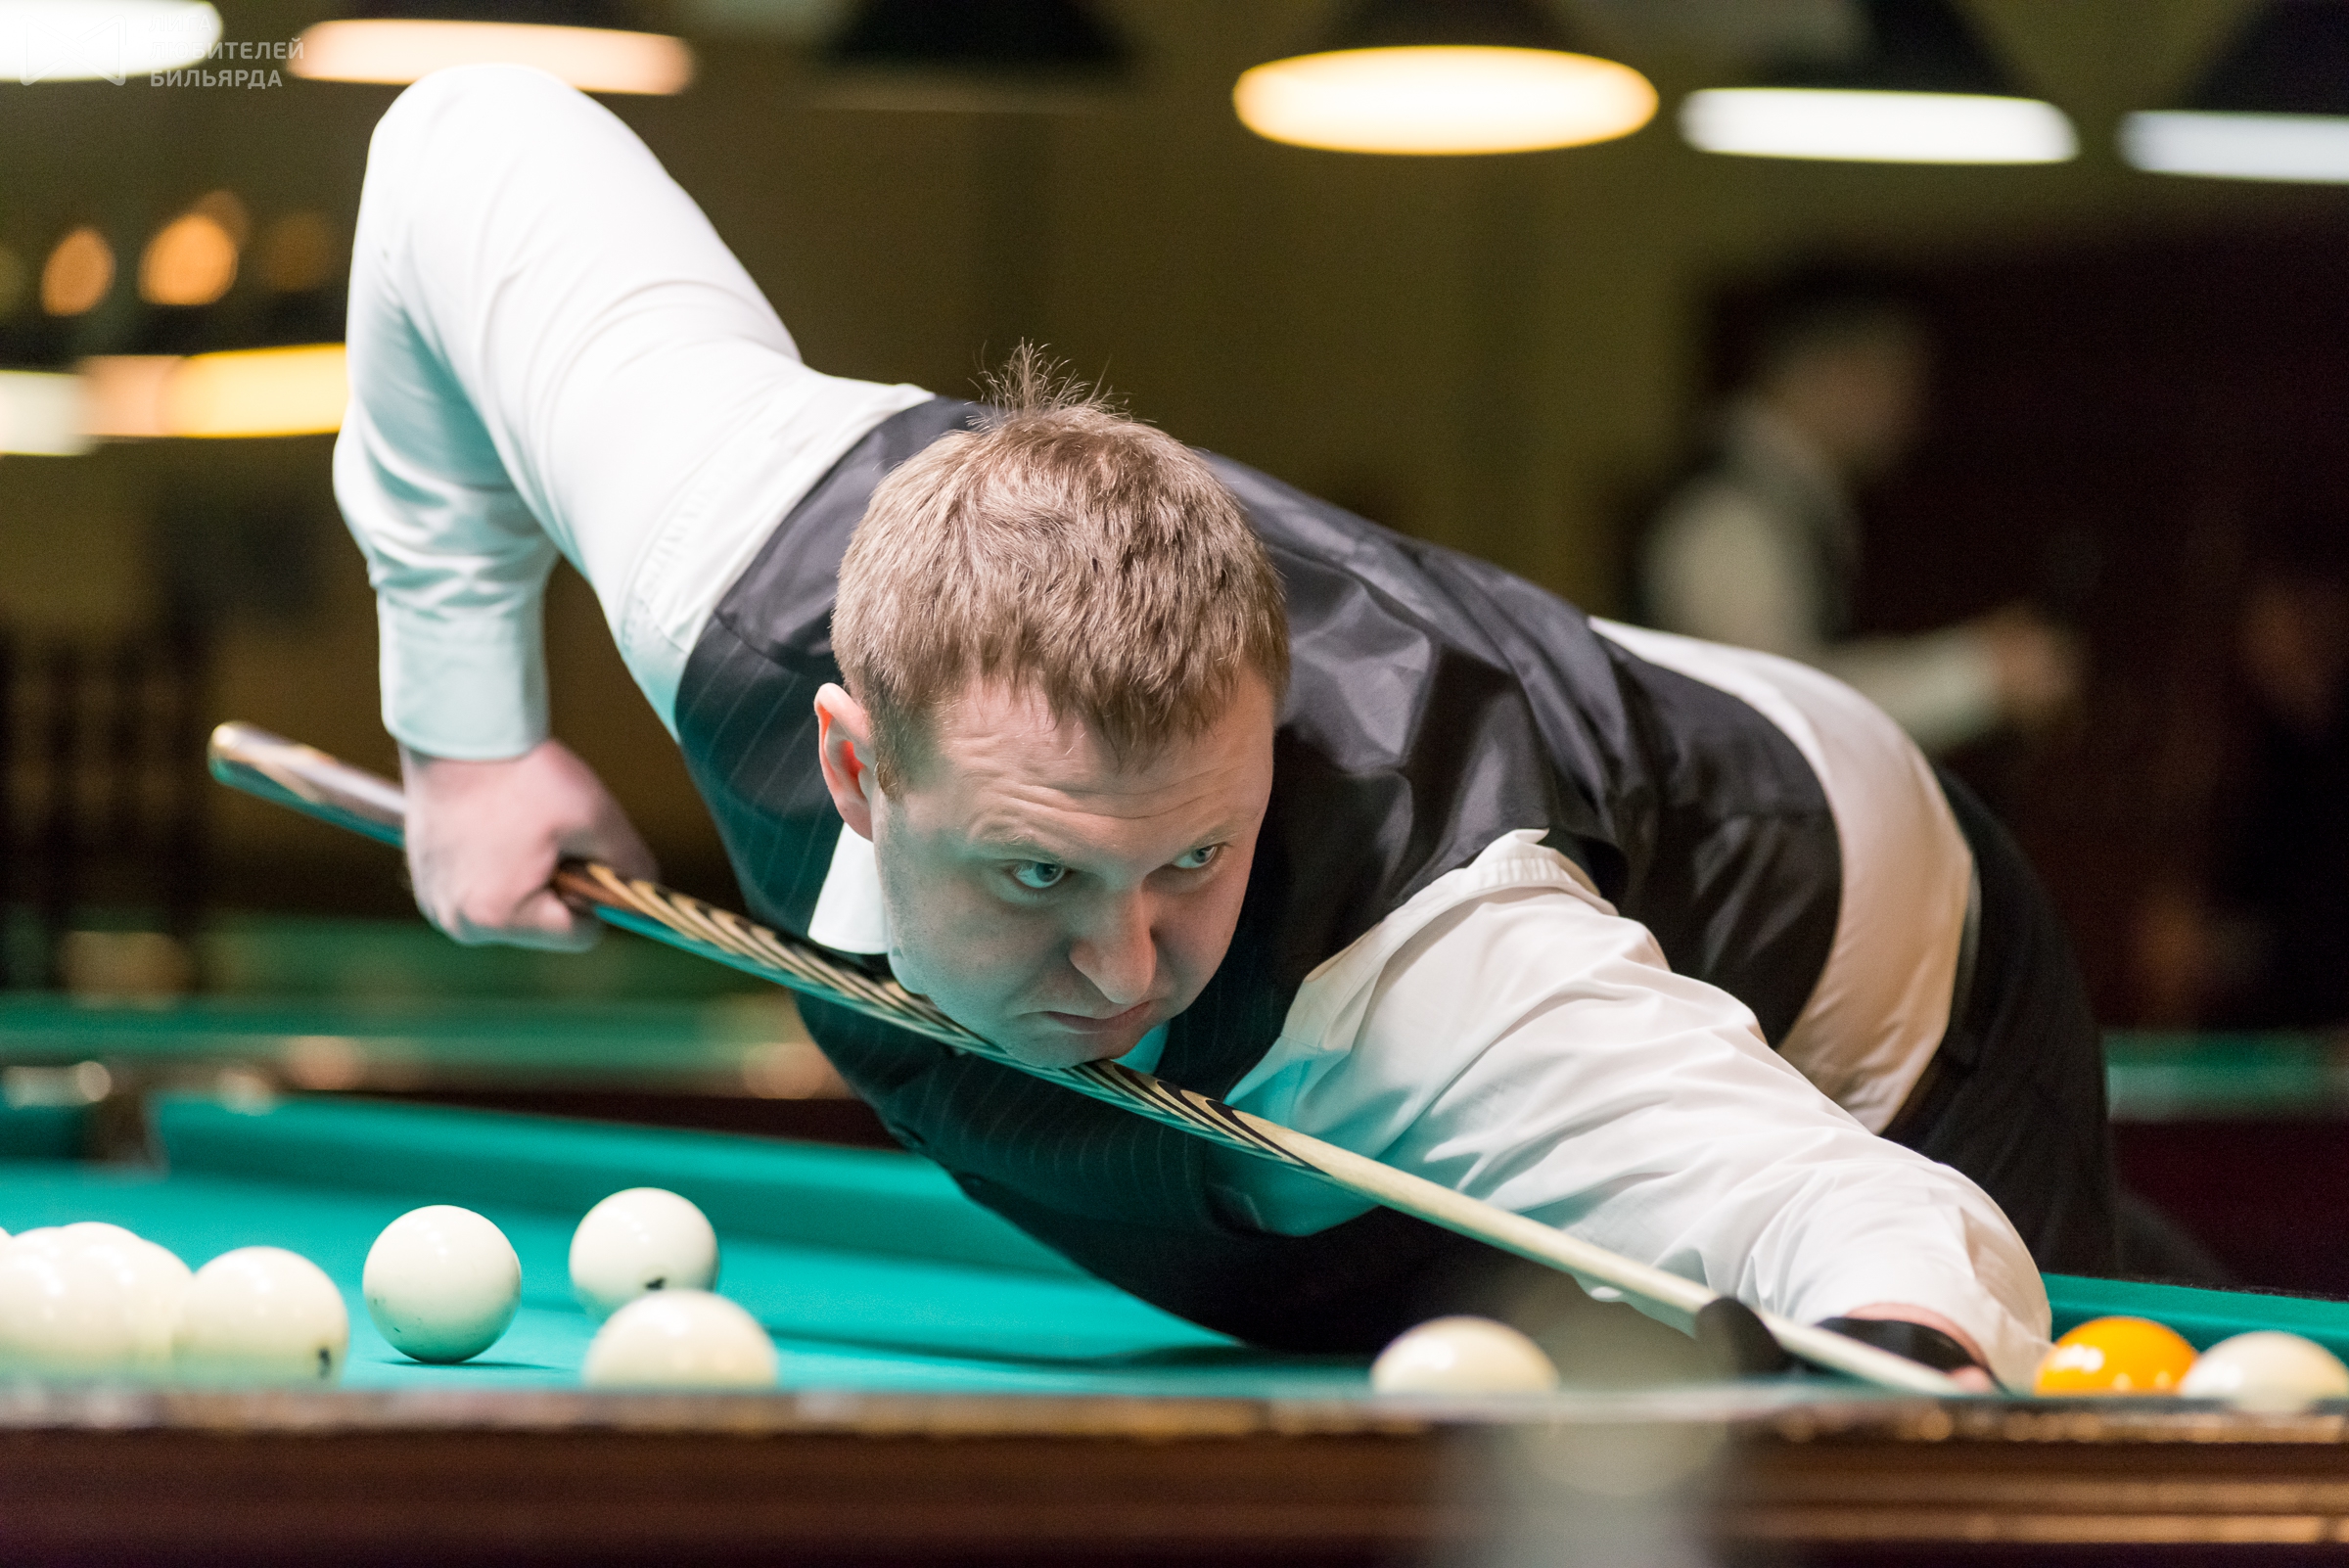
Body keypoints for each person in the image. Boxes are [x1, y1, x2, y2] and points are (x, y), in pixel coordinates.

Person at [337, 67, 2116, 1392]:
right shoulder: (725, 537)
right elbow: (462, 141)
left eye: (1195, 853)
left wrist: (1908, 1351)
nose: (1128, 966)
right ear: (856, 767)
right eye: (1038, 870)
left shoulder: (1440, 970)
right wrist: (465, 733)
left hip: (1868, 989)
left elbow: (1873, 1230)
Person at [1639, 273, 2078, 755]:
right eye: (1898, 378)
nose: (1912, 413)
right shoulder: (1727, 515)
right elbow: (1767, 710)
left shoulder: (1777, 504)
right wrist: (1979, 672)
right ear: (1834, 370)